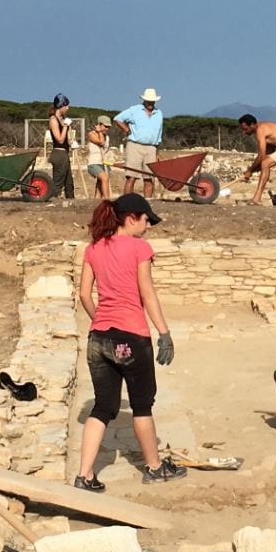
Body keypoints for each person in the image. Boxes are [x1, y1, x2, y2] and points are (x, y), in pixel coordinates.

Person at [74, 193, 185, 491]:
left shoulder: (93, 248)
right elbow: (147, 293)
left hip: (98, 338)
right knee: (141, 405)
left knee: (102, 407)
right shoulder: (139, 248)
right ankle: (155, 467)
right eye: (146, 219)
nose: (148, 226)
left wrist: (101, 321)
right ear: (131, 217)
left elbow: (84, 294)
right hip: (132, 338)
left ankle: (84, 475)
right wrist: (164, 333)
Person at [113, 88, 164, 199]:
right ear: (144, 100)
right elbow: (118, 119)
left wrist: (157, 152)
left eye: (152, 101)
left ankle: (148, 203)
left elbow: (159, 134)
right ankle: (127, 202)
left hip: (151, 148)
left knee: (149, 178)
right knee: (131, 176)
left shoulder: (159, 113)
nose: (150, 103)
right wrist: (127, 130)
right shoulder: (134, 110)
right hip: (135, 145)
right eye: (149, 101)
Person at [47, 94, 76, 202]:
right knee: (58, 182)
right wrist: (65, 126)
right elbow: (59, 140)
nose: (68, 108)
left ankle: (72, 203)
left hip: (64, 153)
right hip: (58, 154)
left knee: (69, 183)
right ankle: (53, 202)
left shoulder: (61, 119)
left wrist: (71, 143)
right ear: (61, 106)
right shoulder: (53, 120)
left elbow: (65, 140)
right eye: (66, 105)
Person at [85, 116, 114, 201]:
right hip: (94, 163)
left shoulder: (107, 137)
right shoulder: (92, 134)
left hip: (103, 163)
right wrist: (99, 132)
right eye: (105, 126)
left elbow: (106, 150)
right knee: (104, 178)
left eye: (109, 127)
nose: (107, 129)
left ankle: (96, 201)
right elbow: (101, 142)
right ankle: (107, 200)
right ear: (99, 125)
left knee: (100, 184)